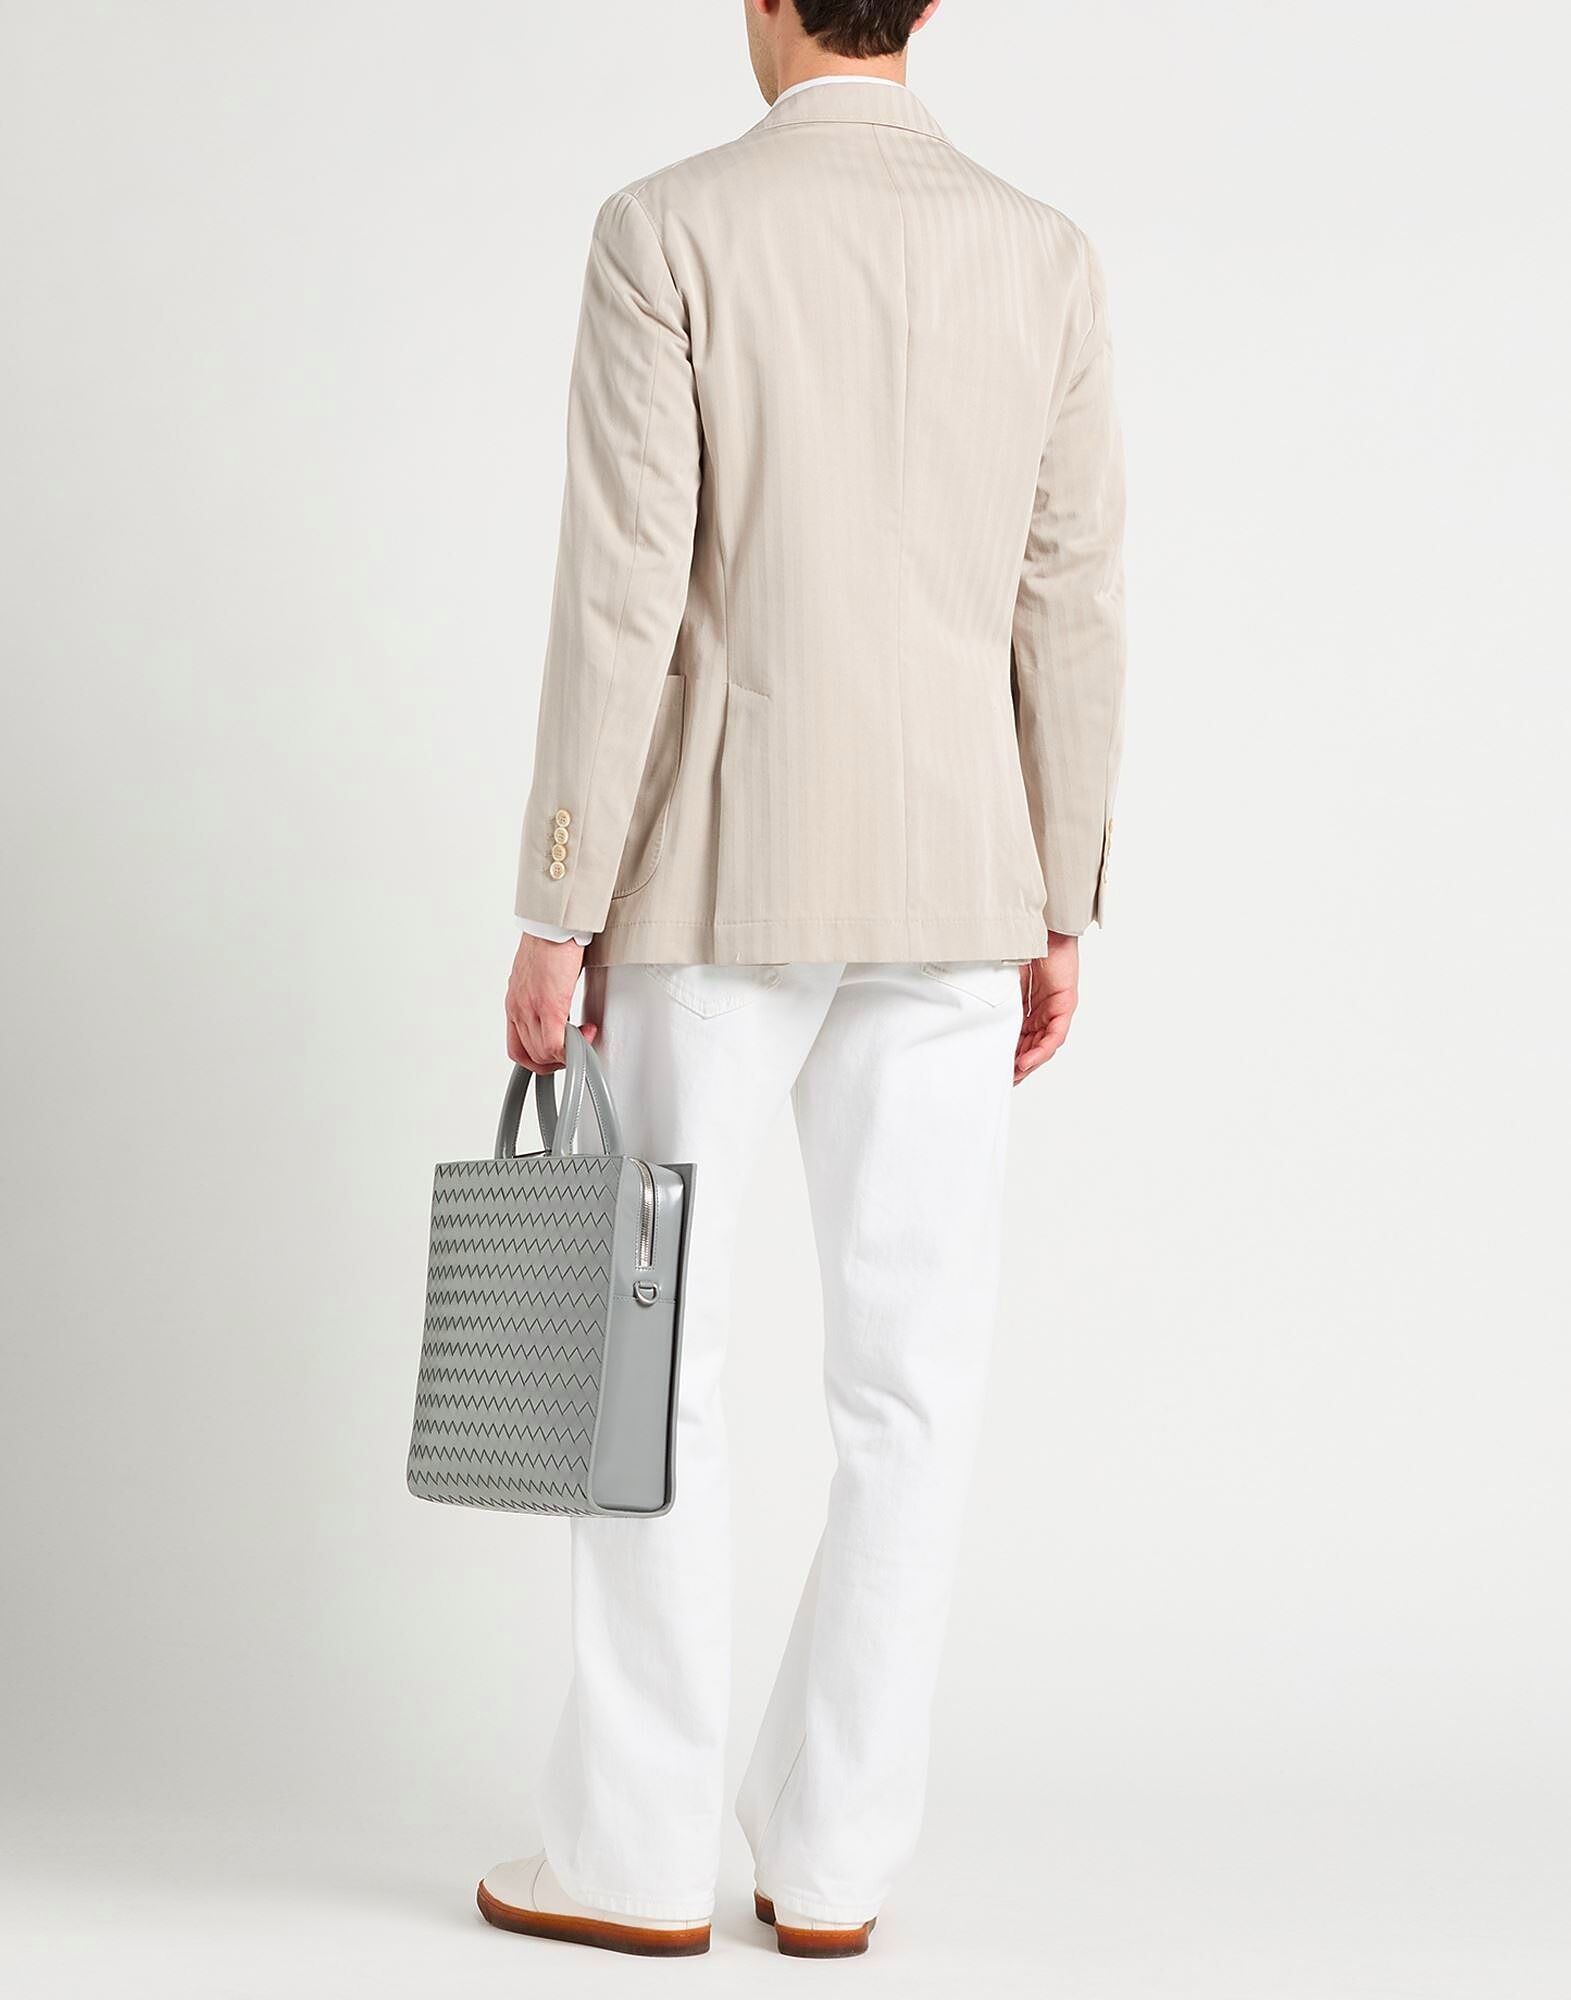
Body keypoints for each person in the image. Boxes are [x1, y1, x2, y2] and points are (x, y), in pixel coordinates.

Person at [482, 0, 1126, 1960]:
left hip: (711, 874)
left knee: (653, 1366)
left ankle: (631, 1855)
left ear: (769, 1)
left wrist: (558, 899)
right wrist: (1062, 893)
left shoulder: (667, 228)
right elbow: (1071, 597)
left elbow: (624, 591)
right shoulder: (1044, 253)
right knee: (912, 1388)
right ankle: (835, 1862)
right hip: (959, 878)